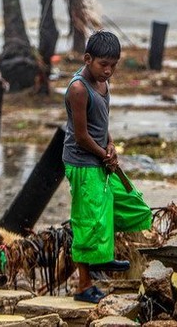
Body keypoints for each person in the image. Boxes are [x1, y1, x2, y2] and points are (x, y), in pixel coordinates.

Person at [63, 30, 152, 303]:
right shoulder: (79, 89)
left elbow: (100, 125)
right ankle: (84, 286)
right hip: (82, 162)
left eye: (114, 65)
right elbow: (81, 135)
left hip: (100, 157)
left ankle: (103, 255)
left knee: (133, 206)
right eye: (103, 65)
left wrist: (110, 145)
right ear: (88, 59)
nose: (109, 71)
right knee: (87, 221)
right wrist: (104, 154)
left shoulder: (103, 83)